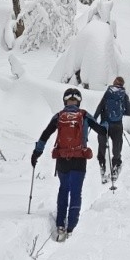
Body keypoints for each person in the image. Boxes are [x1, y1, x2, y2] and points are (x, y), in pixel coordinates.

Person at [31, 88, 106, 242]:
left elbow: (45, 134)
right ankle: (71, 227)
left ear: (65, 101)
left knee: (63, 189)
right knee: (76, 192)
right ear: (79, 101)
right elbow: (102, 131)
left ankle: (60, 224)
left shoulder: (59, 116)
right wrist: (105, 122)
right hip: (79, 160)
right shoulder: (84, 115)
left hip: (62, 160)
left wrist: (37, 152)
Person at [93, 76, 130, 186]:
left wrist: (93, 120)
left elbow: (99, 107)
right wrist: (120, 113)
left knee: (102, 144)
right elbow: (129, 112)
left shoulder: (108, 93)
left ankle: (102, 163)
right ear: (122, 85)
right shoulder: (124, 95)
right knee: (117, 146)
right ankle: (116, 164)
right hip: (117, 126)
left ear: (114, 83)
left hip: (105, 124)